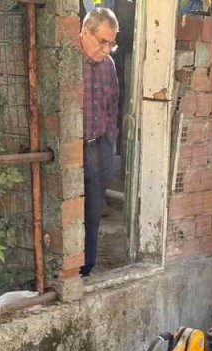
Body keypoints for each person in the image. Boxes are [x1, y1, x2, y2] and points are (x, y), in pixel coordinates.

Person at [78, 7, 119, 278]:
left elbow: (113, 104)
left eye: (111, 43)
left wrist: (109, 140)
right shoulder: (69, 61)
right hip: (72, 147)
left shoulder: (109, 66)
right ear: (84, 32)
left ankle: (87, 268)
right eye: (102, 41)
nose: (106, 49)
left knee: (93, 212)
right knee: (69, 211)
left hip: (98, 145)